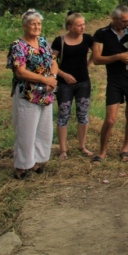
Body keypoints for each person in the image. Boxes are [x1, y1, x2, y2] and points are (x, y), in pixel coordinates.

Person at [92, 5, 128, 163]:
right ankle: (102, 152)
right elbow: (96, 59)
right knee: (110, 119)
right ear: (114, 19)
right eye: (124, 21)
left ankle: (125, 148)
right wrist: (118, 57)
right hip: (114, 80)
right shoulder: (101, 34)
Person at [7, 9, 58, 179]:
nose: (36, 27)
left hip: (46, 93)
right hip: (27, 93)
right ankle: (21, 167)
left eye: (39, 24)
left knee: (43, 130)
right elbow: (20, 72)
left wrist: (53, 77)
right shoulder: (18, 46)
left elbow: (53, 61)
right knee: (26, 131)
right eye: (33, 23)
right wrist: (44, 80)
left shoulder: (43, 42)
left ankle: (35, 161)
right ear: (24, 25)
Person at [51, 11, 95, 159]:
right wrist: (63, 75)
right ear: (69, 26)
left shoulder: (88, 39)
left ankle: (82, 146)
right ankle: (63, 150)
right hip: (64, 84)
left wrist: (88, 65)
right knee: (63, 115)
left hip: (83, 82)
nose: (82, 27)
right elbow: (51, 62)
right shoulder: (59, 41)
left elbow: (96, 53)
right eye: (78, 25)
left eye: (83, 24)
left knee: (83, 115)